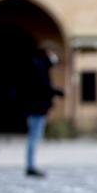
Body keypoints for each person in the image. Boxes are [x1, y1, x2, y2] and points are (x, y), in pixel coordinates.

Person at [24, 48, 64, 178]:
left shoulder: (39, 66)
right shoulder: (39, 67)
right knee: (34, 138)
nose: (54, 57)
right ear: (47, 53)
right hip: (37, 109)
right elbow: (44, 88)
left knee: (34, 137)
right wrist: (59, 92)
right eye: (53, 54)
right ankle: (30, 166)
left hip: (35, 108)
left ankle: (31, 165)